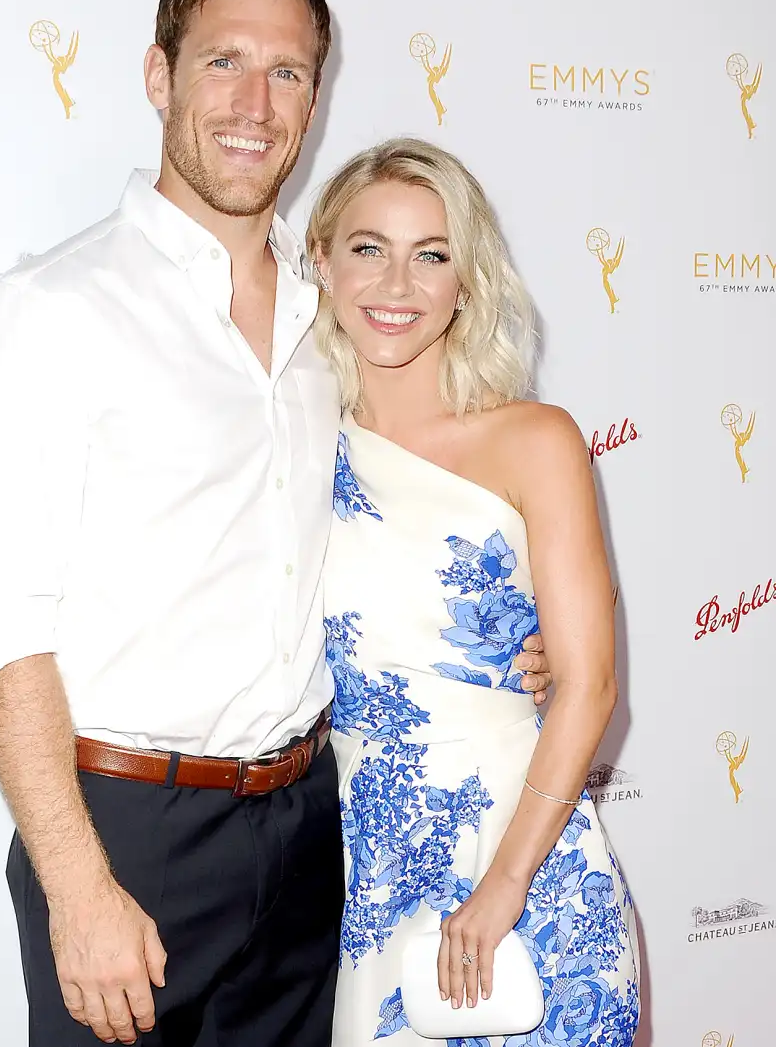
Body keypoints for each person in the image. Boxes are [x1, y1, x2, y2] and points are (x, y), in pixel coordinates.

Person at [0, 0, 552, 1047]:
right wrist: (77, 888)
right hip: (127, 835)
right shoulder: (51, 308)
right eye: (222, 61)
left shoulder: (344, 318)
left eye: (287, 73)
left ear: (316, 99)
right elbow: (0, 628)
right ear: (157, 76)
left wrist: (516, 639)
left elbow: (430, 499)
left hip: (312, 823)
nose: (252, 104)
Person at [307, 137, 640, 1046]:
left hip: (528, 861)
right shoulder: (294, 441)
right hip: (374, 873)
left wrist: (502, 889)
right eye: (369, 248)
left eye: (433, 254)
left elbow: (590, 685)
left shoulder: (536, 439)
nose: (396, 284)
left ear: (467, 280)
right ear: (323, 264)